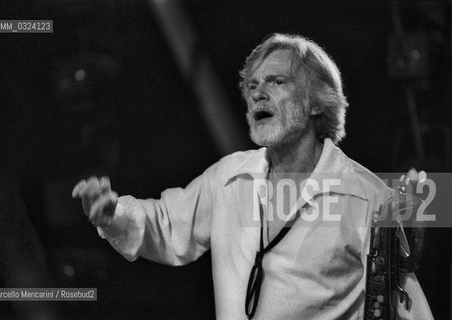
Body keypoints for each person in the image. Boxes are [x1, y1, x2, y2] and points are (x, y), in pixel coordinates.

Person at [72, 33, 433, 319]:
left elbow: (405, 303)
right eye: (252, 86)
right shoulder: (230, 177)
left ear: (316, 103)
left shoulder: (364, 195)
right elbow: (167, 225)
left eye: (276, 82)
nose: (258, 93)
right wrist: (113, 215)